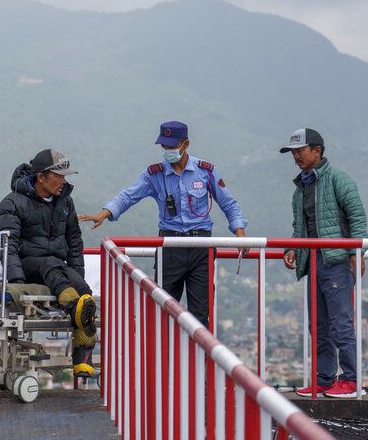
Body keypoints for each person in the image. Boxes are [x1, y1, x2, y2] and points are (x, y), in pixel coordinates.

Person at [80, 121, 248, 330]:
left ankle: (197, 362)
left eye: (171, 146)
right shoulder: (155, 174)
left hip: (201, 246)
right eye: (164, 147)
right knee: (163, 309)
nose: (167, 151)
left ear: (185, 144)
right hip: (170, 245)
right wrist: (104, 214)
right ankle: (166, 361)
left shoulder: (206, 171)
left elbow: (229, 203)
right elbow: (128, 195)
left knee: (200, 314)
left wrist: (240, 234)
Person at [280, 128, 368, 399]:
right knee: (318, 325)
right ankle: (325, 379)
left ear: (317, 150)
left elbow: (357, 217)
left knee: (340, 322)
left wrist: (356, 253)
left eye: (300, 151)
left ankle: (352, 380)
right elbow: (301, 226)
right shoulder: (301, 187)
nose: (296, 156)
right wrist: (292, 247)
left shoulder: (339, 180)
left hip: (337, 260)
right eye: (293, 152)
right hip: (314, 260)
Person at [0, 149, 97, 376]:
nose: (63, 181)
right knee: (49, 264)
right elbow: (8, 245)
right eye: (58, 176)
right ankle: (72, 305)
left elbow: (74, 242)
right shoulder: (12, 202)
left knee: (86, 294)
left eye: (65, 177)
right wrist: (18, 283)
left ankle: (81, 361)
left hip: (56, 269)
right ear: (40, 176)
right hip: (27, 267)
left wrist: (78, 277)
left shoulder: (65, 203)